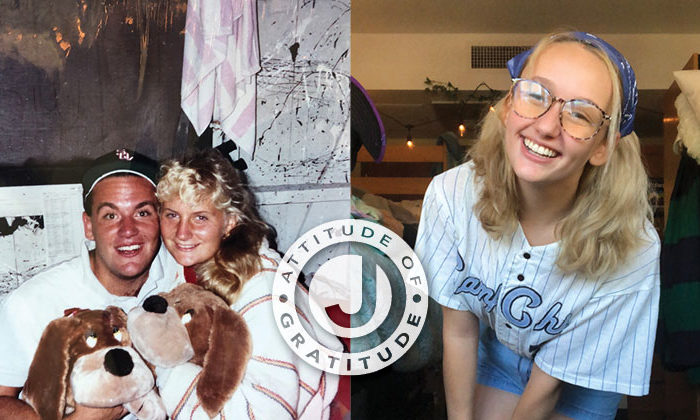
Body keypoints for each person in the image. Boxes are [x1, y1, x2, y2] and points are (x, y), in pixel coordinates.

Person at [415, 32, 659, 420]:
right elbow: (459, 331)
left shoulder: (635, 245)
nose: (547, 126)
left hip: (581, 382)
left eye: (580, 114)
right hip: (497, 354)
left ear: (602, 147)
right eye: (535, 94)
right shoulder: (451, 194)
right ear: (510, 104)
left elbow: (549, 386)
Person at [153, 150, 340, 419]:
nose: (182, 233)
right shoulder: (187, 272)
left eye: (200, 217)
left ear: (229, 222)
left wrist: (165, 371)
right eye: (172, 215)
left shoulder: (264, 286)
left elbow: (267, 414)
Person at [0, 149, 183, 419]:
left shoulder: (181, 274)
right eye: (110, 215)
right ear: (88, 226)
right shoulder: (32, 303)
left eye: (142, 212)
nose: (128, 230)